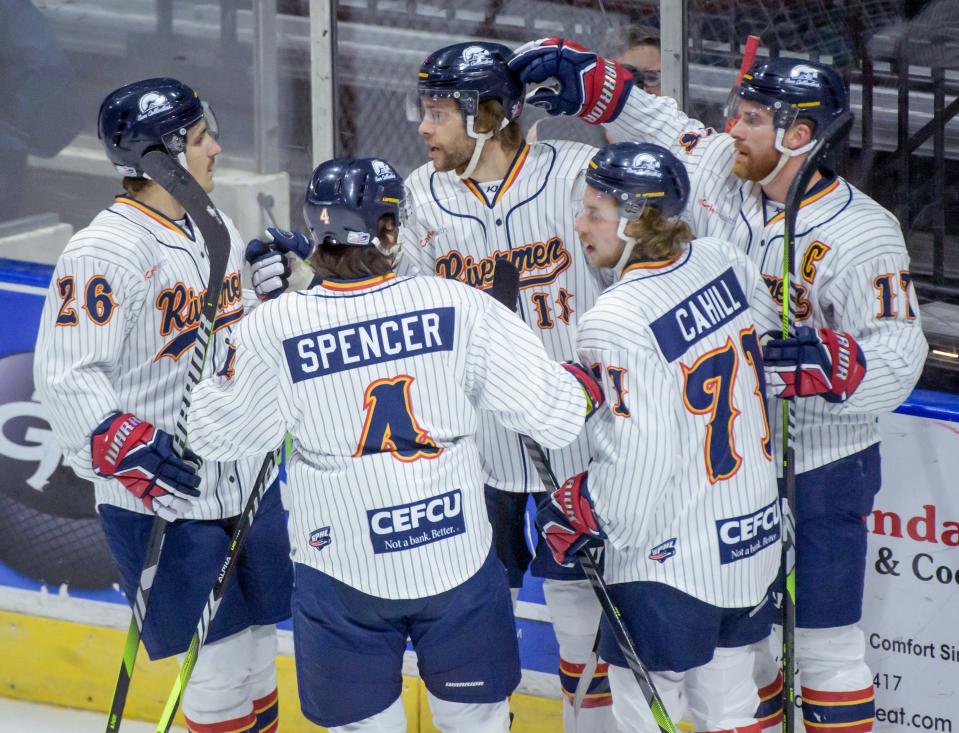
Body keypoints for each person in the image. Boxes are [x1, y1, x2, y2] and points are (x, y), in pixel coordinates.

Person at [511, 41, 929, 732]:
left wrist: (840, 366)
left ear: (797, 136)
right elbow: (659, 125)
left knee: (826, 652)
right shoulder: (717, 174)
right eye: (735, 112)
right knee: (751, 659)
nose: (731, 126)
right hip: (740, 473)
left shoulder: (863, 234)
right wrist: (597, 88)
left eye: (751, 118)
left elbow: (898, 349)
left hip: (824, 464)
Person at [185, 157, 604, 732]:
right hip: (454, 553)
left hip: (340, 568)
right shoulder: (461, 305)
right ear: (386, 231)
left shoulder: (276, 326)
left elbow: (216, 435)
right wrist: (587, 383)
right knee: (475, 722)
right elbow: (556, 418)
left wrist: (257, 313)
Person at [33, 78, 292, 733]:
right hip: (163, 498)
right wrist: (117, 439)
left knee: (260, 653)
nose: (217, 147)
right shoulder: (105, 251)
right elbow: (65, 372)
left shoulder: (215, 226)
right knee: (218, 670)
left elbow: (233, 340)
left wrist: (270, 294)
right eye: (202, 137)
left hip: (244, 476)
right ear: (160, 156)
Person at [397, 40, 641, 732]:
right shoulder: (417, 198)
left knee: (581, 628)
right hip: (476, 454)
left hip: (580, 443)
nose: (423, 126)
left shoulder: (577, 177)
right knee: (472, 632)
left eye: (439, 111)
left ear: (488, 114)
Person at [535, 140, 781, 733]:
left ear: (636, 221)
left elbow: (638, 455)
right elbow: (770, 351)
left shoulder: (616, 318)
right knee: (731, 709)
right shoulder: (722, 259)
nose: (580, 224)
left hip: (666, 561)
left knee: (645, 717)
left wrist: (594, 512)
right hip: (750, 539)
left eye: (595, 212)